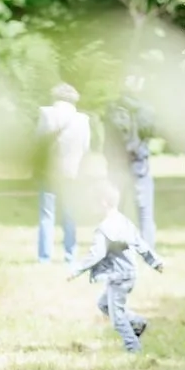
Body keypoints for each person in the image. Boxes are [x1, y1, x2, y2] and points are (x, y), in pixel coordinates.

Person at [69, 182, 165, 353]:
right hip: (130, 274)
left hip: (117, 277)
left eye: (93, 203)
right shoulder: (124, 222)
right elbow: (140, 243)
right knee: (103, 304)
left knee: (117, 318)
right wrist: (155, 261)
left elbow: (96, 254)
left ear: (103, 202)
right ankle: (137, 322)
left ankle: (133, 347)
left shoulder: (104, 229)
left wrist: (76, 270)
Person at [36, 83, 91, 265]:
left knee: (46, 215)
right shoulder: (82, 119)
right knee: (70, 215)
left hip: (49, 171)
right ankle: (70, 255)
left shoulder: (45, 114)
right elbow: (86, 147)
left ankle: (44, 257)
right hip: (72, 173)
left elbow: (38, 142)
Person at [103, 81, 157, 249]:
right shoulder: (145, 110)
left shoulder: (111, 109)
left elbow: (107, 139)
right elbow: (151, 132)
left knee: (115, 209)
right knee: (144, 211)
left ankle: (116, 248)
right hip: (139, 163)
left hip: (116, 164)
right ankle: (148, 249)